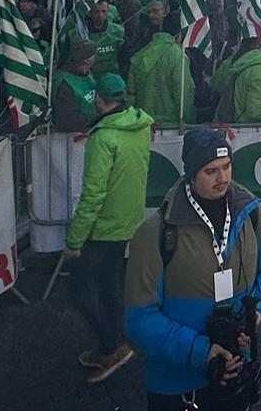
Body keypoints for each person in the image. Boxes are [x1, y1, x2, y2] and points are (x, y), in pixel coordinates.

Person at [124, 129, 261, 409]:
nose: (223, 178)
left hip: (236, 373)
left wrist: (255, 309)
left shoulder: (251, 213)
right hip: (178, 386)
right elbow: (138, 318)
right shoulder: (156, 233)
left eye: (227, 167)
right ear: (192, 174)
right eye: (211, 171)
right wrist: (201, 352)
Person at [65, 73, 152, 384]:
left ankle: (110, 346)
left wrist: (75, 239)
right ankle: (119, 341)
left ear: (100, 100)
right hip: (127, 220)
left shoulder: (104, 138)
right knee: (111, 282)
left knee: (79, 290)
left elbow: (93, 193)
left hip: (103, 226)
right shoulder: (140, 125)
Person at [127, 17, 196, 127]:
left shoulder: (140, 55)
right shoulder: (178, 57)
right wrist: (190, 120)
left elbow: (130, 93)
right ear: (178, 35)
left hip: (142, 123)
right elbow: (184, 93)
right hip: (172, 125)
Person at [51, 38, 99, 132]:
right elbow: (68, 120)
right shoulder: (64, 83)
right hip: (76, 137)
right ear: (88, 60)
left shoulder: (86, 72)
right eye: (94, 55)